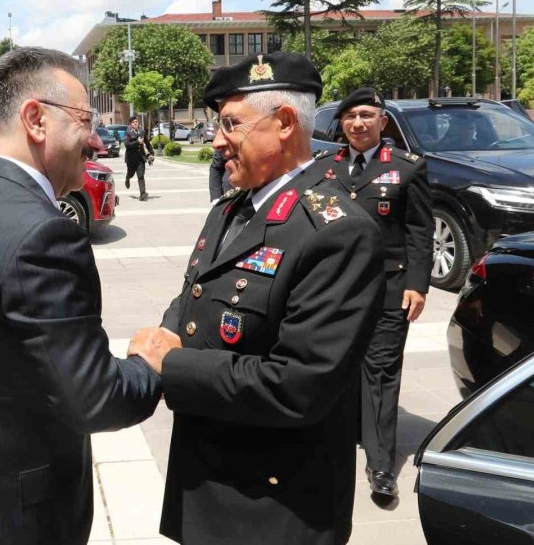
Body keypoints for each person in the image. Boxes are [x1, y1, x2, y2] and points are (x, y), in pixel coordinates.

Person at [0, 47, 162, 545]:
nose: (92, 139)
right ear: (36, 119)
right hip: (8, 515)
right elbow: (95, 398)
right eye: (84, 119)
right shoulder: (42, 235)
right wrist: (149, 364)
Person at [128, 52, 385, 544]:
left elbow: (300, 386)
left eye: (231, 124)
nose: (217, 140)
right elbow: (196, 295)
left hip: (273, 506)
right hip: (208, 476)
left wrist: (173, 365)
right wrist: (165, 332)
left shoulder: (337, 232)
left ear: (285, 123)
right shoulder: (232, 205)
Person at [332, 86, 433, 499]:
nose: (358, 123)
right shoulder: (325, 167)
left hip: (389, 289)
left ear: (382, 121)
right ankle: (346, 432)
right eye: (351, 116)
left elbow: (419, 231)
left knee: (381, 372)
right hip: (336, 289)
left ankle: (381, 464)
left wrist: (417, 285)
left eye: (366, 116)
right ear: (341, 123)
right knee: (340, 366)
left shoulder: (407, 168)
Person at [124, 116, 154, 201]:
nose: (135, 123)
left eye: (136, 122)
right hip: (131, 159)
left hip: (141, 158)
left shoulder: (141, 132)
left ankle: (143, 194)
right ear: (130, 124)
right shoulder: (128, 133)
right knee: (131, 174)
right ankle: (127, 178)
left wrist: (151, 153)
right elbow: (127, 145)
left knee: (141, 176)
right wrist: (137, 142)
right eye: (133, 122)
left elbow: (147, 143)